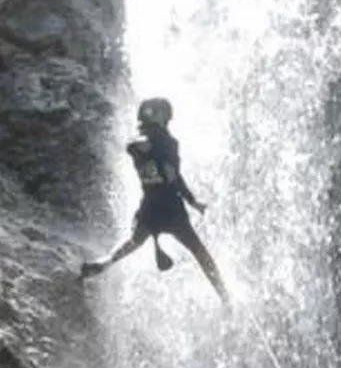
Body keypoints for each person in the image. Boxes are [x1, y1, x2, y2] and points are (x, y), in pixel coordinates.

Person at [80, 97, 231, 305]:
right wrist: (192, 201)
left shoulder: (137, 143)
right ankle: (225, 296)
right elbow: (174, 176)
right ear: (163, 116)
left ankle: (105, 263)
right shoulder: (167, 142)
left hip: (150, 205)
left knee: (134, 242)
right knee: (199, 251)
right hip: (170, 206)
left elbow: (134, 148)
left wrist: (193, 201)